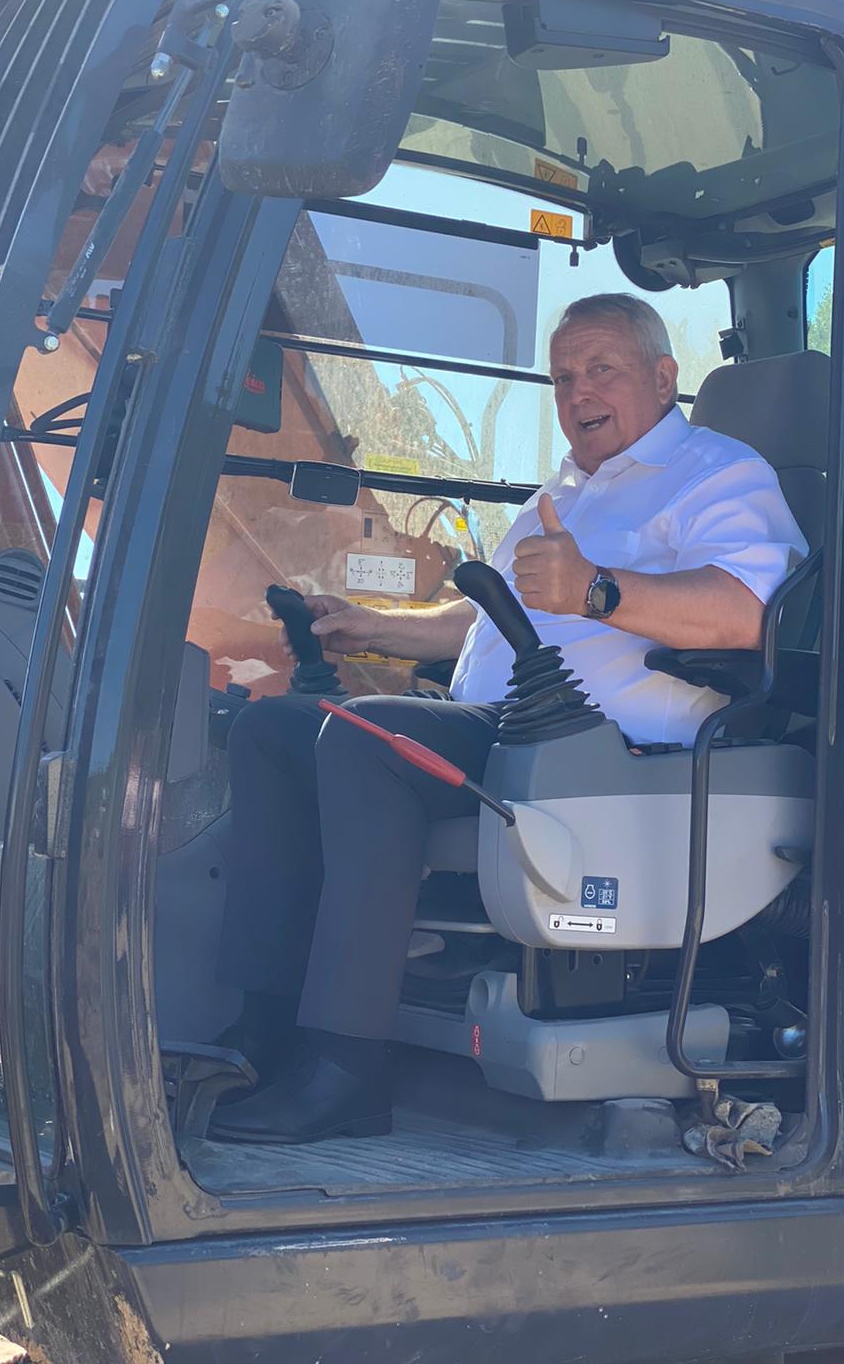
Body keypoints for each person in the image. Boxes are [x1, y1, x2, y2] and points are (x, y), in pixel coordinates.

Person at [212, 292, 807, 1144]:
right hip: (506, 731)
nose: (577, 393)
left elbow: (754, 611)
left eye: (601, 369)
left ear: (664, 376)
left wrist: (599, 589)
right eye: (563, 377)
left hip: (608, 759)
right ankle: (260, 1038)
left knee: (363, 741)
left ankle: (344, 1070)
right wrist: (374, 626)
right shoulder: (563, 491)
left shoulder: (719, 473)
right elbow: (491, 616)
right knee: (273, 730)